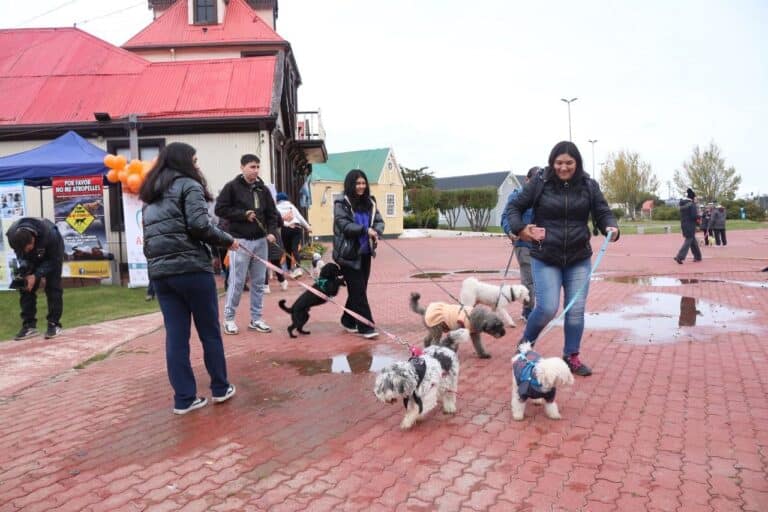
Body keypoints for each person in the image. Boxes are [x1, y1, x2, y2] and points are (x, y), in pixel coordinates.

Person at [504, 141, 620, 377]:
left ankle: (571, 356)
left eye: (569, 163)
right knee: (547, 308)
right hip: (546, 255)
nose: (563, 167)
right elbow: (514, 208)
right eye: (559, 163)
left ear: (577, 163)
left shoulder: (589, 185)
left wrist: (611, 225)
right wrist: (521, 229)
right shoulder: (540, 182)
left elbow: (602, 211)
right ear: (552, 162)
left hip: (578, 257)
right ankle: (525, 345)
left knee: (576, 309)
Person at [139, 142, 237, 415]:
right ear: (185, 162)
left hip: (162, 276)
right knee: (209, 333)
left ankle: (184, 399)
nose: (197, 166)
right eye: (195, 160)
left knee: (176, 337)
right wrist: (229, 241)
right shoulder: (189, 185)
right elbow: (199, 225)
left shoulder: (151, 194)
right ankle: (220, 388)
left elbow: (149, 238)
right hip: (192, 270)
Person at [215, 154, 279, 335]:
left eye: (258, 167)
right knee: (237, 281)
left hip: (261, 242)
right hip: (240, 242)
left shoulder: (263, 189)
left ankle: (256, 318)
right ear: (242, 167)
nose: (256, 170)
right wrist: (243, 214)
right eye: (252, 167)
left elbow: (272, 215)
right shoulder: (232, 187)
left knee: (259, 282)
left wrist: (272, 232)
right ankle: (228, 319)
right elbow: (220, 209)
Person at [332, 169, 385, 339]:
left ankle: (348, 320)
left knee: (359, 290)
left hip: (365, 252)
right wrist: (364, 230)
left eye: (363, 183)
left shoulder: (371, 202)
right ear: (350, 184)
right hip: (348, 254)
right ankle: (366, 326)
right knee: (359, 291)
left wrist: (377, 230)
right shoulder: (341, 203)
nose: (361, 186)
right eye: (357, 183)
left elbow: (379, 221)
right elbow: (344, 225)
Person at [6, 217, 65, 340]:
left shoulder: (51, 234)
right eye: (24, 249)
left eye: (28, 247)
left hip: (52, 254)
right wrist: (24, 268)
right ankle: (29, 326)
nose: (27, 250)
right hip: (31, 258)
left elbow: (54, 261)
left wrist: (36, 275)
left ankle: (54, 324)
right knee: (25, 286)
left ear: (33, 238)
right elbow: (21, 254)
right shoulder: (12, 235)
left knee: (53, 287)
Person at [501, 166, 540, 321]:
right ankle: (529, 313)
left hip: (544, 246)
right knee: (529, 281)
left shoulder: (544, 196)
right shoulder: (516, 196)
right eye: (534, 180)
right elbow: (506, 217)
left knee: (543, 280)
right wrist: (511, 231)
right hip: (523, 246)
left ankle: (541, 311)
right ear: (527, 180)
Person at [275, 191, 312, 278]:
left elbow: (277, 220)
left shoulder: (276, 208)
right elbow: (299, 217)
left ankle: (289, 270)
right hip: (297, 228)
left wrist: (287, 224)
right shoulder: (291, 206)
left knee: (287, 250)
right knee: (295, 248)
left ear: (277, 200)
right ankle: (298, 269)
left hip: (286, 229)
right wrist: (307, 227)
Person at [674, 188, 702, 264]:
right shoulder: (692, 205)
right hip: (690, 225)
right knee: (688, 240)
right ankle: (680, 256)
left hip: (684, 224)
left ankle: (698, 256)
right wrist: (699, 216)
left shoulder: (682, 204)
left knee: (693, 241)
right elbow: (693, 216)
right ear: (692, 197)